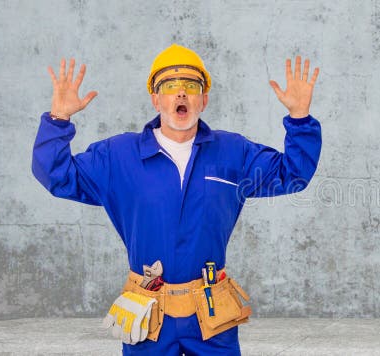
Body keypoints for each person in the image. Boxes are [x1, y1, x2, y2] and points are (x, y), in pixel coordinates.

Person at [31, 44, 322, 355]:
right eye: (169, 86)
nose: (181, 93)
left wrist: (300, 119)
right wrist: (58, 120)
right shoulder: (117, 157)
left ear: (204, 100)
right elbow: (55, 175)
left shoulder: (233, 153)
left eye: (191, 86)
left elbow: (293, 174)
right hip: (148, 312)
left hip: (212, 313)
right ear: (156, 99)